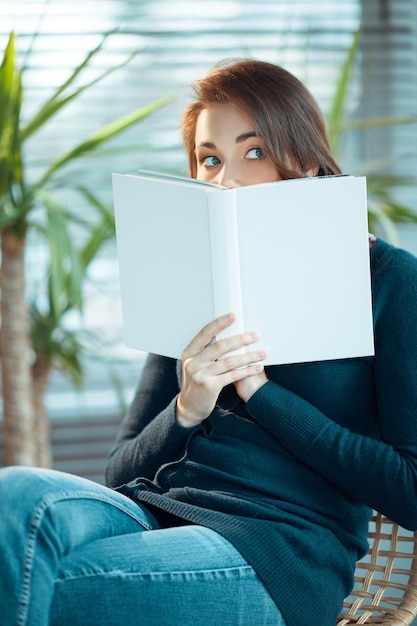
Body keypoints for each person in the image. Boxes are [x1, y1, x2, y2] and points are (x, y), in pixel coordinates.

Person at [1, 58, 417, 626]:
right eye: (211, 159)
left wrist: (263, 394)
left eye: (254, 152)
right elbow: (120, 473)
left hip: (274, 550)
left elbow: (410, 491)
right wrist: (186, 409)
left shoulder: (390, 280)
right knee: (14, 495)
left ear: (306, 155)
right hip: (153, 516)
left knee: (48, 583)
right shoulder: (198, 275)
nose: (228, 179)